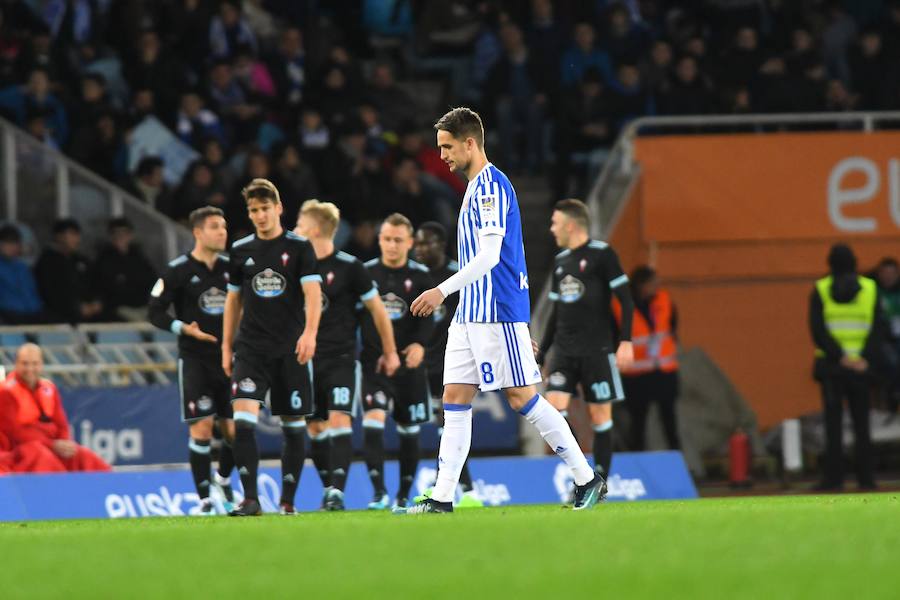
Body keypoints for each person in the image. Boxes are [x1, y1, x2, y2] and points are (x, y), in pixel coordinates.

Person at [401, 107, 607, 514]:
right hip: (470, 314)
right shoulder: (475, 188)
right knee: (454, 398)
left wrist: (441, 290)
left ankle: (586, 478)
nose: (441, 155)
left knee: (521, 397)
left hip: (495, 310)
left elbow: (491, 256)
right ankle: (443, 497)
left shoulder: (492, 188)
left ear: (469, 143)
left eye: (446, 147)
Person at [222, 178, 322, 516]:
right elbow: (233, 301)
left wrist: (309, 334)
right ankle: (250, 499)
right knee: (242, 420)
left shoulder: (299, 248)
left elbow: (312, 295)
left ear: (278, 208)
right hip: (251, 349)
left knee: (293, 425)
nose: (260, 215)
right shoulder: (240, 251)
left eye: (265, 208)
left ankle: (288, 502)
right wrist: (226, 346)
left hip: (290, 349)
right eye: (254, 210)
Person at [294, 200, 400, 511]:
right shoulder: (296, 266)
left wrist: (390, 351)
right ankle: (329, 486)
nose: (294, 230)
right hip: (303, 359)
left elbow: (378, 311)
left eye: (299, 225)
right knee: (314, 427)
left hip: (340, 359)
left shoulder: (350, 267)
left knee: (340, 419)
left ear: (313, 229)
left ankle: (337, 493)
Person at [539, 199, 634, 489]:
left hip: (597, 349)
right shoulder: (560, 262)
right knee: (554, 410)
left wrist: (626, 341)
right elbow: (555, 312)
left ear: (570, 224)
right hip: (564, 351)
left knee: (600, 415)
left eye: (555, 223)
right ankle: (584, 473)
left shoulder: (602, 255)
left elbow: (626, 300)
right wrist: (542, 353)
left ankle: (601, 481)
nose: (551, 229)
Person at [148, 207, 236, 515]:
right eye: (215, 227)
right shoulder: (178, 270)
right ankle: (205, 500)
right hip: (196, 360)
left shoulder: (232, 268)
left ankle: (223, 480)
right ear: (198, 232)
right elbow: (155, 311)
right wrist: (183, 328)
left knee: (236, 431)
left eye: (224, 227)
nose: (222, 232)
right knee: (201, 429)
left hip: (231, 359)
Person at [360, 213, 435, 510]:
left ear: (410, 243)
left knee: (409, 429)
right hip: (374, 364)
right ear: (379, 240)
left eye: (398, 240)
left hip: (410, 366)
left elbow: (430, 319)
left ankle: (404, 494)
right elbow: (353, 316)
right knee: (373, 419)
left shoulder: (420, 276)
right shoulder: (365, 273)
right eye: (387, 239)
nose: (391, 246)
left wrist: (420, 344)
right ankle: (378, 492)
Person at [413, 221, 482, 507]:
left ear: (441, 245)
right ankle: (455, 490)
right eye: (416, 243)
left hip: (453, 361)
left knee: (448, 424)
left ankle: (460, 490)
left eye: (424, 243)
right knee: (438, 427)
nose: (418, 249)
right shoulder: (414, 276)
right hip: (421, 362)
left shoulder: (458, 274)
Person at [809, 244, 884, 491]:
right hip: (861, 368)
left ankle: (833, 479)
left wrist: (840, 356)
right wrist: (863, 359)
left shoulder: (820, 289)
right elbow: (877, 329)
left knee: (834, 426)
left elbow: (818, 330)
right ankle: (866, 479)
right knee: (862, 426)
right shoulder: (871, 289)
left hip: (832, 368)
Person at [0, 343, 110, 472]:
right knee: (42, 456)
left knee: (83, 456)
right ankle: (64, 489)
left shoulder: (49, 388)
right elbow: (16, 433)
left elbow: (61, 424)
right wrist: (52, 445)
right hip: (22, 449)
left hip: (50, 445)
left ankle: (113, 488)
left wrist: (64, 443)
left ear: (41, 364)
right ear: (16, 364)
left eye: (34, 364)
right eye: (25, 363)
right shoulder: (5, 391)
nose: (30, 369)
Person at [612, 266, 681, 452]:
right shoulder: (620, 306)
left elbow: (672, 328)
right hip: (636, 374)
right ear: (641, 285)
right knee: (637, 422)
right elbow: (614, 336)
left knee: (669, 420)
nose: (656, 287)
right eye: (652, 283)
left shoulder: (664, 300)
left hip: (664, 371)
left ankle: (676, 457)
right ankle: (639, 459)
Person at [33, 218, 102, 324]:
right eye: (71, 234)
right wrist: (76, 308)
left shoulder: (82, 260)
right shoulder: (47, 262)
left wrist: (95, 303)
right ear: (59, 236)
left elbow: (94, 284)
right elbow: (50, 293)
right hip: (58, 318)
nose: (76, 239)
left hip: (88, 317)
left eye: (77, 234)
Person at [93, 217, 158, 322]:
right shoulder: (104, 259)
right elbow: (107, 287)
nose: (121, 237)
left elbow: (152, 279)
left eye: (124, 233)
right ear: (111, 236)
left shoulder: (139, 257)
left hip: (143, 307)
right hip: (120, 309)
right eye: (116, 233)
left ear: (130, 235)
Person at [0, 224, 44, 324]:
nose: (12, 247)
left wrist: (38, 310)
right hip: (8, 317)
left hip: (32, 315)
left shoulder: (23, 267)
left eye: (15, 242)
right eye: (7, 242)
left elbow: (32, 293)